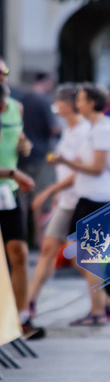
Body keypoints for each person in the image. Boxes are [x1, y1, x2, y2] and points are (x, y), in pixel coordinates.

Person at [49, 83, 110, 325]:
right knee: (80, 255)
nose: (77, 104)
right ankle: (107, 304)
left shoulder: (104, 129)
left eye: (81, 99)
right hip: (89, 198)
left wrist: (66, 162)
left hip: (98, 199)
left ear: (92, 103)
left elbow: (98, 168)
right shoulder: (94, 128)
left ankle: (98, 311)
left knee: (88, 257)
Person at [28, 84, 90, 317]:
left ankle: (107, 302)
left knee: (81, 258)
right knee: (49, 249)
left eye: (59, 102)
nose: (55, 106)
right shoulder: (69, 130)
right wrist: (56, 195)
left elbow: (80, 172)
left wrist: (48, 192)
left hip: (79, 200)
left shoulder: (84, 131)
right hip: (65, 201)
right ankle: (30, 303)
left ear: (70, 106)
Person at [0, 76, 45, 340]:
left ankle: (22, 318)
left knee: (19, 252)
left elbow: (19, 137)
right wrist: (12, 172)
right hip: (11, 179)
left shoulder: (16, 107)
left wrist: (24, 144)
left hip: (8, 192)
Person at [19, 72, 60, 247]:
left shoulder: (21, 99)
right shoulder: (44, 101)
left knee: (21, 200)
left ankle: (20, 237)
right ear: (46, 82)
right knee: (40, 198)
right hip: (41, 155)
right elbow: (54, 128)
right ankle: (39, 238)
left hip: (20, 156)